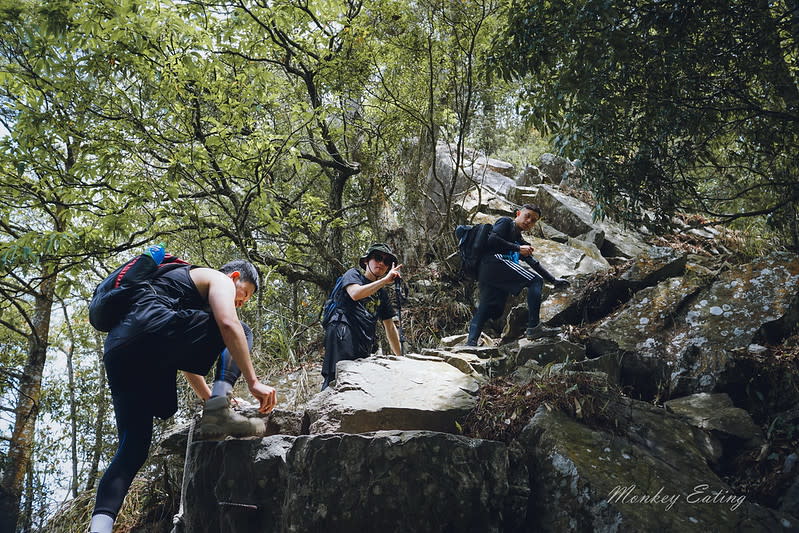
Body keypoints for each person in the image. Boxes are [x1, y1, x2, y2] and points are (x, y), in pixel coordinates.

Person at [88, 258, 277, 533]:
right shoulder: (218, 278)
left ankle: (99, 528)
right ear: (234, 276)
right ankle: (219, 412)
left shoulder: (178, 290)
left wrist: (208, 396)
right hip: (151, 333)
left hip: (120, 349)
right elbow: (228, 325)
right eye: (244, 293)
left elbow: (188, 361)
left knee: (133, 447)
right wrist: (253, 382)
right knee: (241, 329)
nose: (242, 302)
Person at [466, 204, 570, 346]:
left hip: (488, 271)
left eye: (533, 220)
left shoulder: (518, 238)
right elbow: (492, 239)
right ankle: (534, 327)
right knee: (535, 281)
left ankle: (470, 343)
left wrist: (553, 280)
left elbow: (532, 262)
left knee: (485, 307)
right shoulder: (506, 222)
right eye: (527, 216)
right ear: (518, 213)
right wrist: (517, 248)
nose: (529, 221)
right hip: (494, 262)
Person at [321, 243, 403, 390]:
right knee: (335, 381)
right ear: (366, 261)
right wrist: (384, 281)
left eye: (386, 261)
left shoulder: (382, 294)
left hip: (363, 343)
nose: (381, 263)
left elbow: (390, 327)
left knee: (357, 385)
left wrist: (401, 358)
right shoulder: (353, 274)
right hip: (342, 334)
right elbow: (355, 293)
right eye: (377, 258)